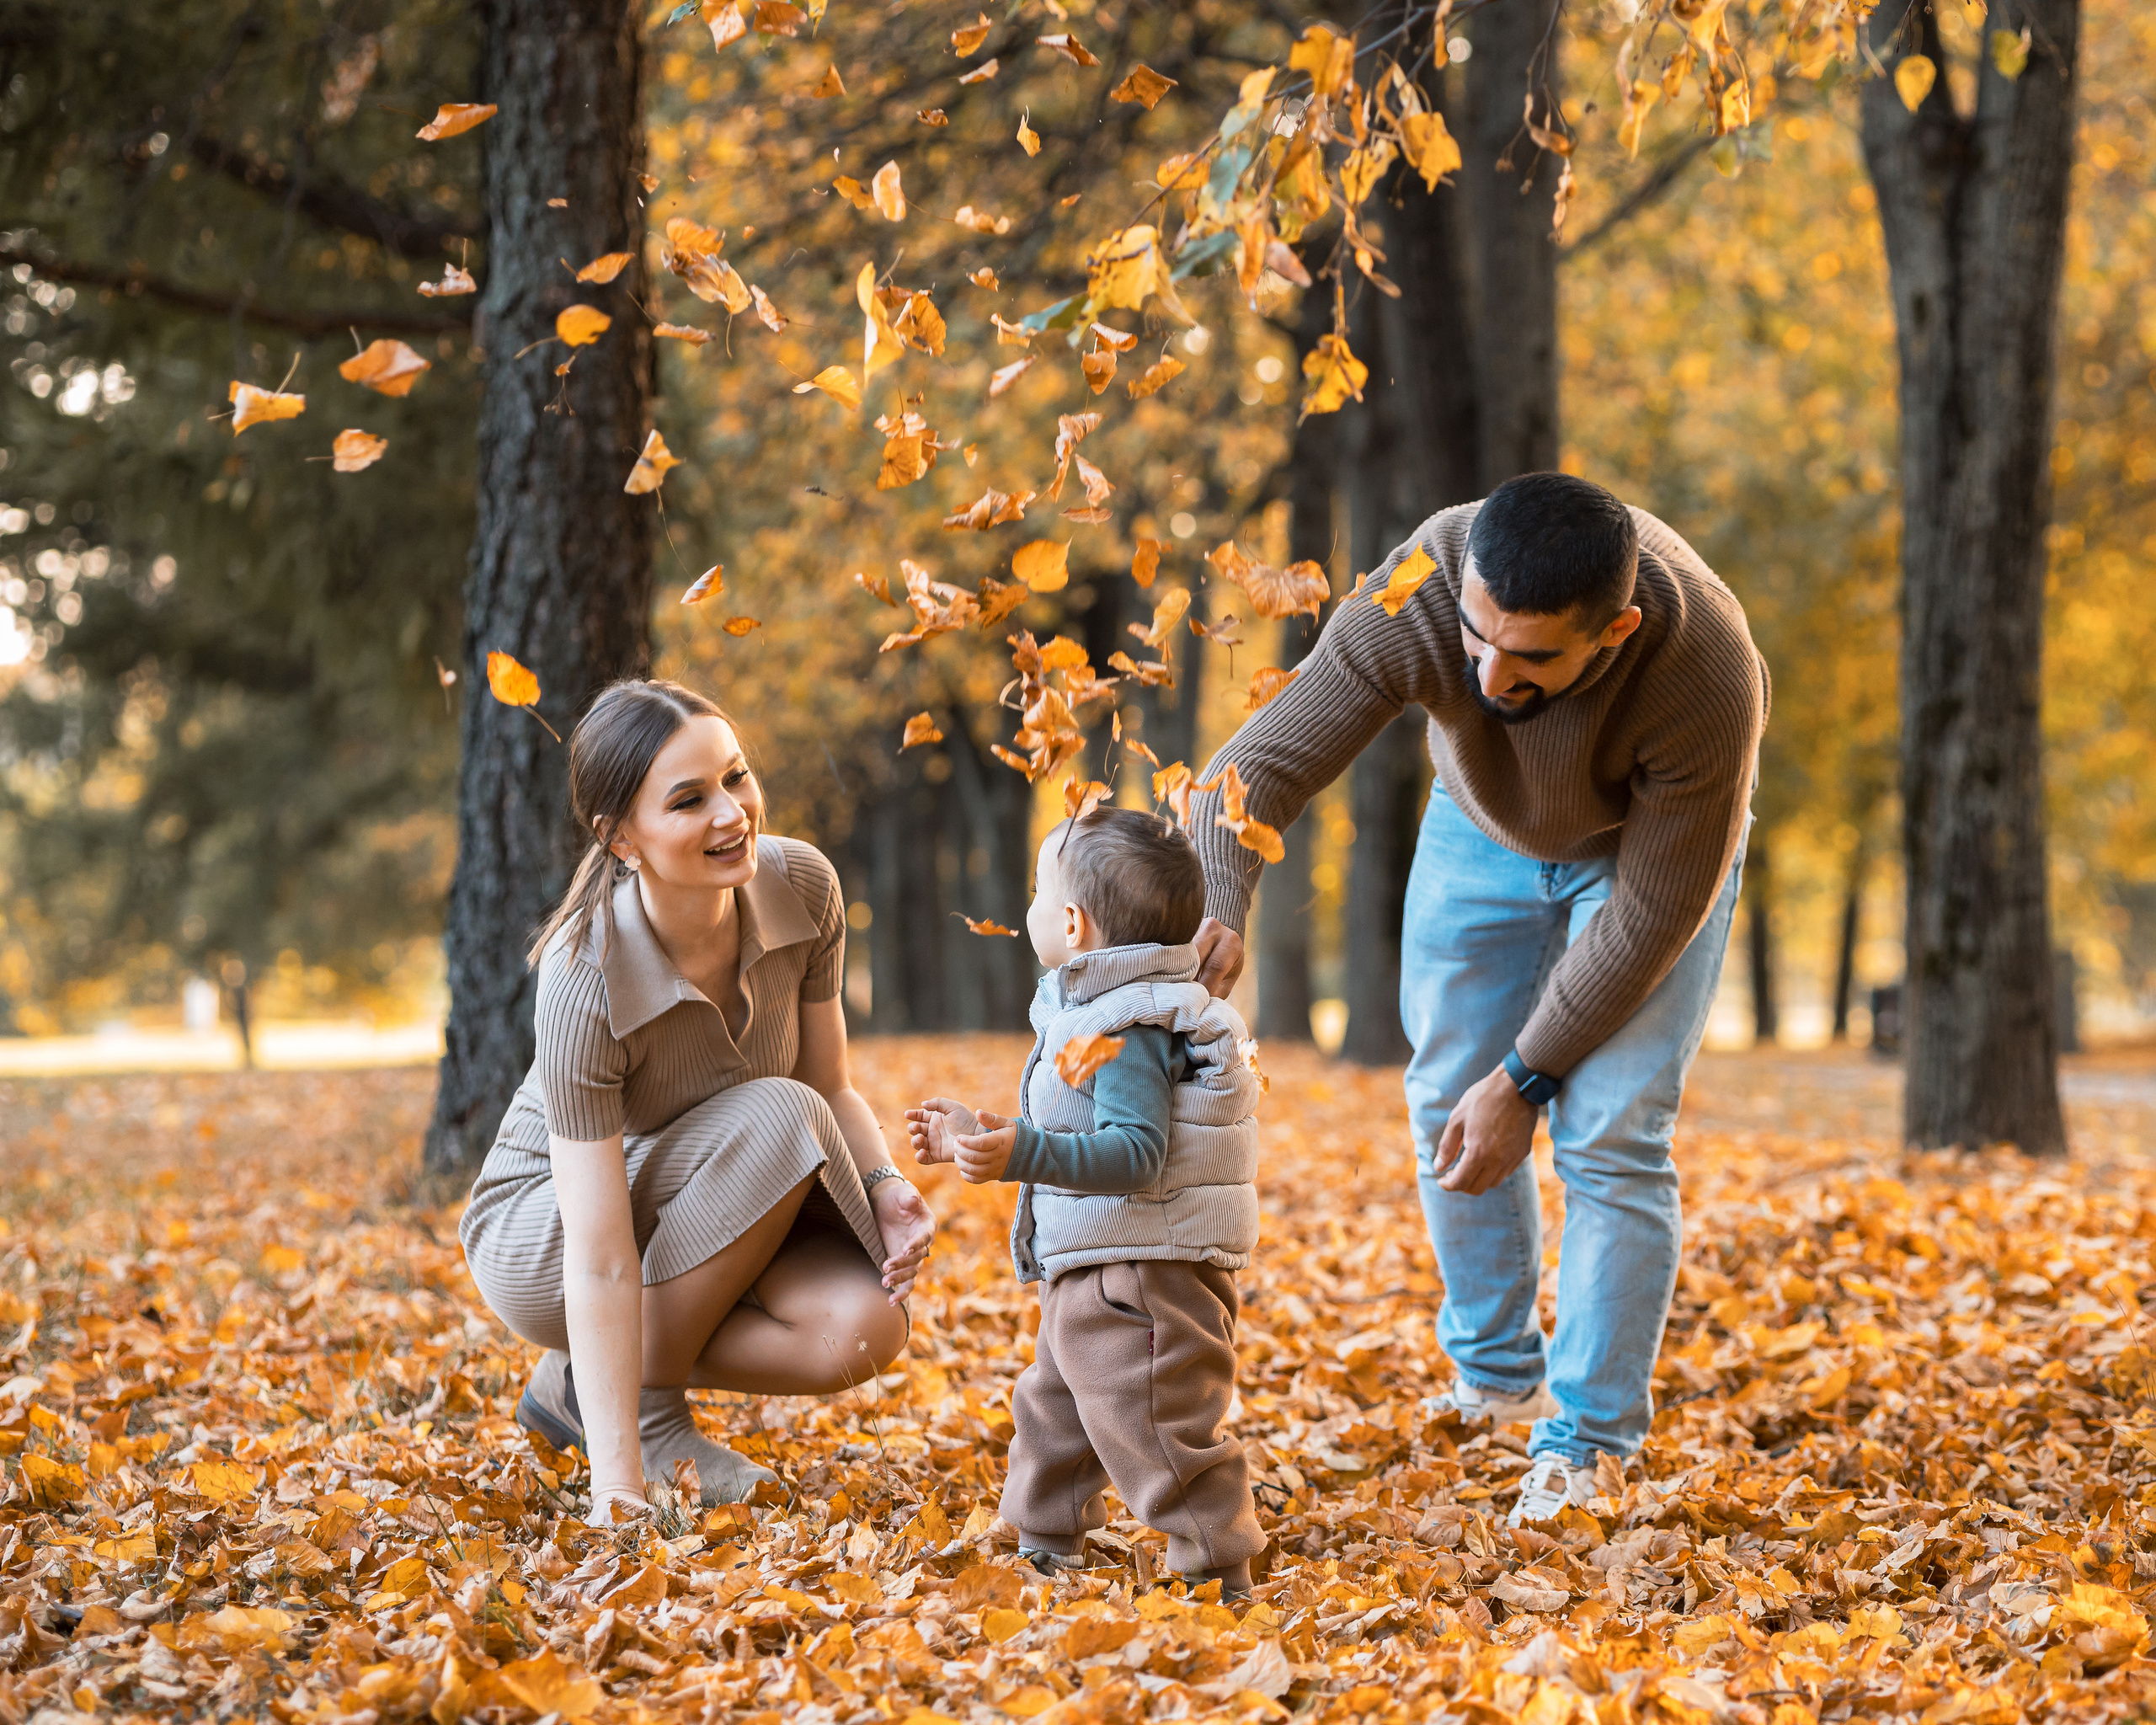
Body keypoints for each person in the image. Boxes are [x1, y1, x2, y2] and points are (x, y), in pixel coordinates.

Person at [1187, 473, 1766, 1524]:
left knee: (1611, 1133)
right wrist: (1220, 901)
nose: (1491, 674)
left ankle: (1585, 1440)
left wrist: (1528, 1077)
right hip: (1478, 822)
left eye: (1533, 654)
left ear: (1614, 630)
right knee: (1444, 1092)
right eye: (1476, 637)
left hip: (1645, 858)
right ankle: (1497, 1381)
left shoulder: (1704, 672)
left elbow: (1643, 925)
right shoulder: (1419, 583)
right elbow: (1254, 766)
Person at [458, 679, 937, 1522]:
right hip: (549, 1231)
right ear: (620, 836)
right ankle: (641, 1420)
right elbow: (602, 1253)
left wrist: (885, 1183)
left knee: (866, 1327)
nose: (732, 812)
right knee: (781, 1113)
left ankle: (582, 1382)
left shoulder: (805, 886)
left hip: (728, 1190)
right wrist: (617, 1489)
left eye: (736, 776)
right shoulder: (584, 974)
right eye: (688, 800)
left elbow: (832, 1086)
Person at [906, 809, 1266, 1593]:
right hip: (1100, 1262)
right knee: (1054, 1409)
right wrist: (985, 1135)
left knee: (1158, 1423)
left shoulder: (1133, 1026)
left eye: (1039, 893)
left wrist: (1023, 1156)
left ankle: (1219, 1570)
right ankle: (1047, 1538)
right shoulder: (1102, 1011)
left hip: (1141, 1275)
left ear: (1071, 923)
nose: (1031, 907)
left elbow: (1134, 1154)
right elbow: (1071, 1126)